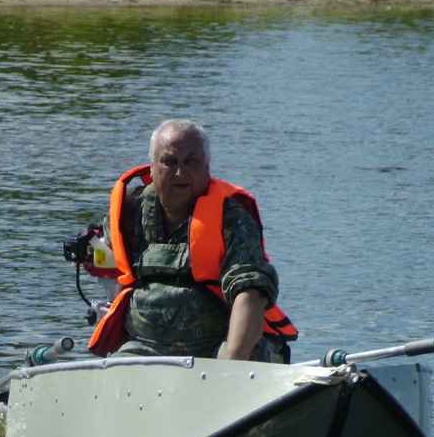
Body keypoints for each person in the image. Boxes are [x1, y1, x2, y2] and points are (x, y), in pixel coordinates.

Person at [88, 119, 297, 362]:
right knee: (116, 369)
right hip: (145, 346)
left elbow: (251, 290)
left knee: (249, 355)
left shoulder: (231, 217)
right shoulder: (129, 212)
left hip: (216, 347)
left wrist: (231, 362)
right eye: (170, 162)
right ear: (152, 168)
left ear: (207, 167)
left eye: (191, 162)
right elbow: (106, 259)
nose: (181, 173)